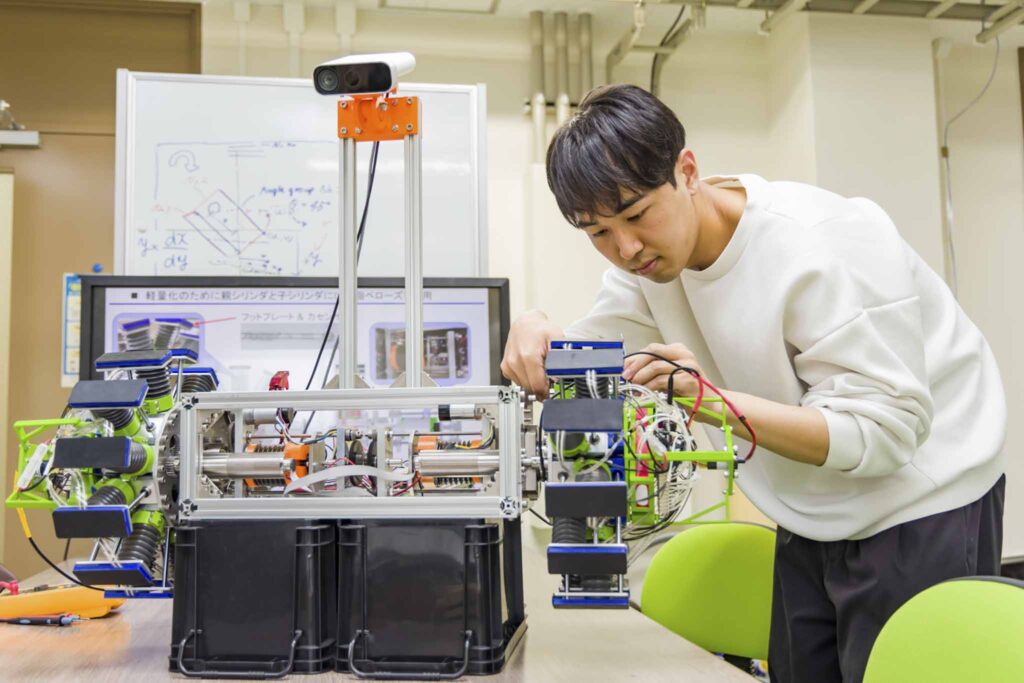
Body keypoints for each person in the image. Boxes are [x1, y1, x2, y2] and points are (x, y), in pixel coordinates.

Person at [500, 84, 1006, 683]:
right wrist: (533, 328)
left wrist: (707, 402)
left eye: (636, 215)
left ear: (687, 172)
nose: (626, 248)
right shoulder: (649, 268)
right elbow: (585, 356)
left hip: (920, 498)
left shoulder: (824, 242)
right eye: (598, 233)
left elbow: (884, 432)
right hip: (809, 510)